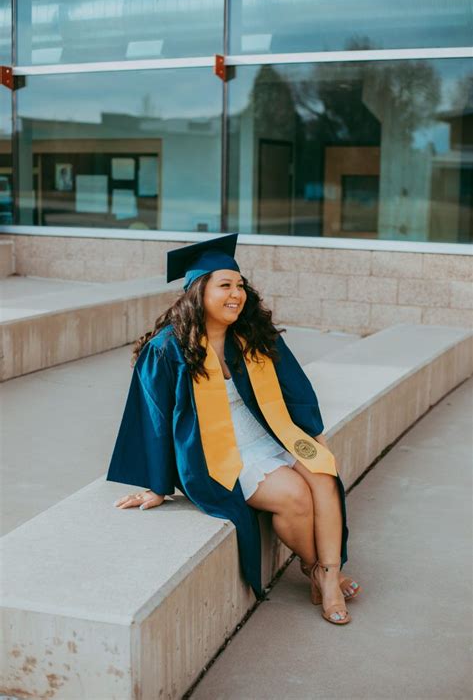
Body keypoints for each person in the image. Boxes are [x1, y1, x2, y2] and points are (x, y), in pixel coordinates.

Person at [106, 233, 360, 625]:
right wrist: (158, 485)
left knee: (323, 474)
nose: (236, 294)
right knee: (295, 496)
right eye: (225, 285)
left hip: (270, 431)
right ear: (198, 291)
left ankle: (326, 574)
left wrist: (314, 437)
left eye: (240, 286)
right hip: (218, 450)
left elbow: (295, 389)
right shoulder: (168, 349)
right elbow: (153, 417)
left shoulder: (254, 334)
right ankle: (320, 572)